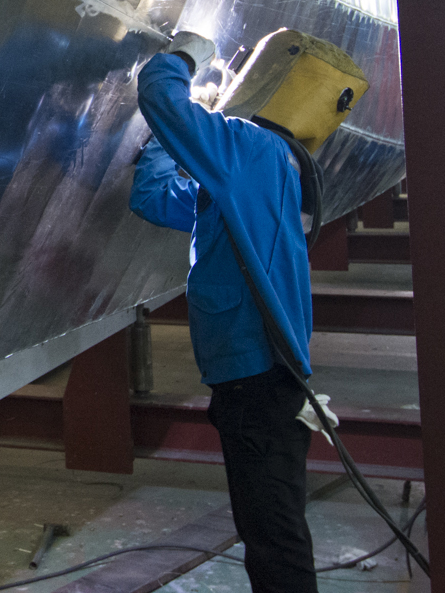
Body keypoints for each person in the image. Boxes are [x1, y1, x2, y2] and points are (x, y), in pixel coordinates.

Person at [130, 30, 322, 593]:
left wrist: (186, 58)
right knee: (266, 524)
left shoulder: (251, 149)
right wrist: (177, 140)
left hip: (258, 378)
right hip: (252, 379)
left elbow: (161, 97)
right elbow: (156, 198)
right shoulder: (255, 174)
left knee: (272, 533)